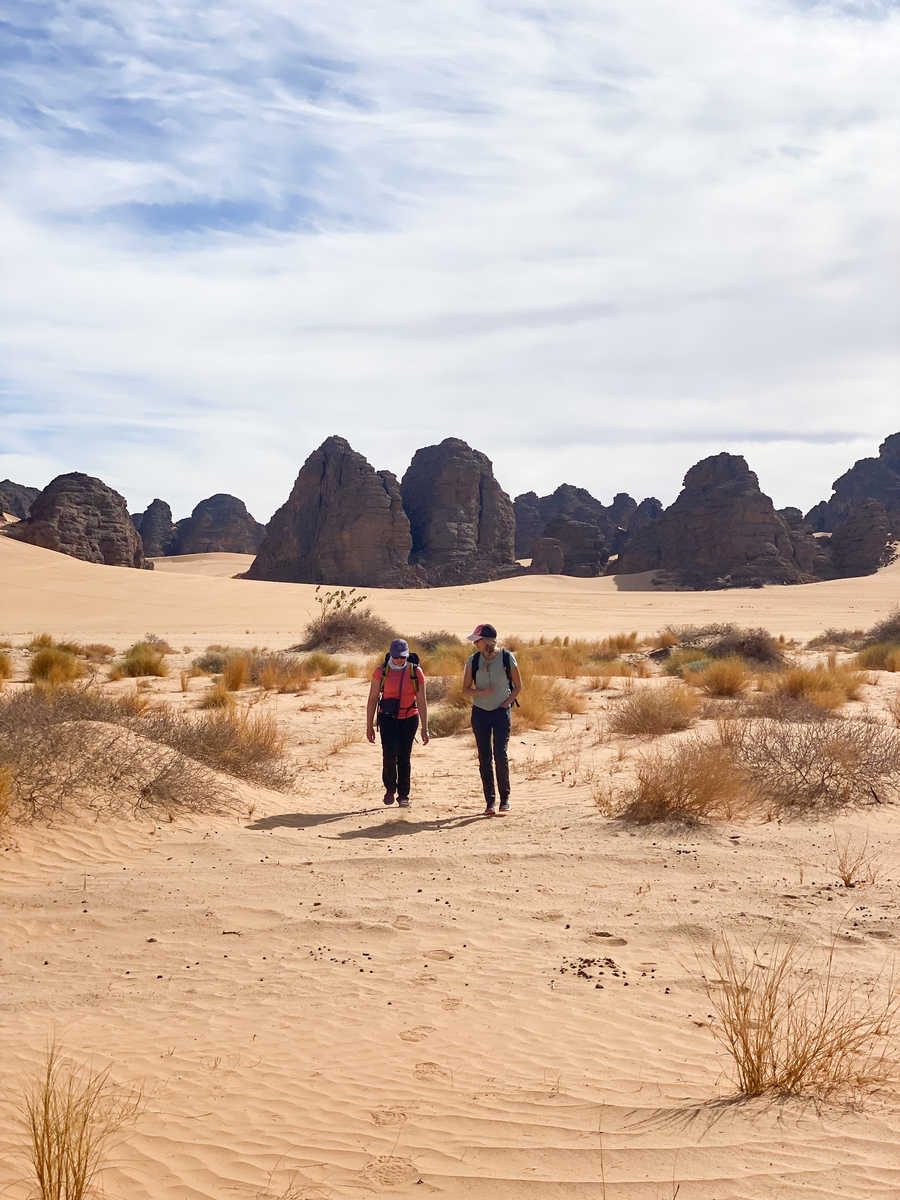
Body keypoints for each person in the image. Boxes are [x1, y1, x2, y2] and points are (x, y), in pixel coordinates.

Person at [462, 623, 522, 816]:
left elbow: (518, 686)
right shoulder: (472, 660)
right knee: (484, 757)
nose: (475, 644)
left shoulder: (506, 657)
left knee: (500, 754)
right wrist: (479, 692)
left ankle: (505, 799)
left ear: (487, 641)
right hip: (480, 712)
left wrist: (507, 703)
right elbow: (464, 689)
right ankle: (490, 802)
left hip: (500, 712)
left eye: (477, 641)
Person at [366, 638, 429, 809]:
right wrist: (369, 726)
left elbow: (422, 701)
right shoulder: (381, 672)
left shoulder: (416, 672)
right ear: (391, 655)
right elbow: (372, 699)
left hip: (409, 718)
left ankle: (403, 795)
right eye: (396, 657)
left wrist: (425, 728)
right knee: (388, 755)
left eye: (402, 657)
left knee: (404, 757)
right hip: (387, 718)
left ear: (407, 655)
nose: (399, 660)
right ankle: (389, 789)